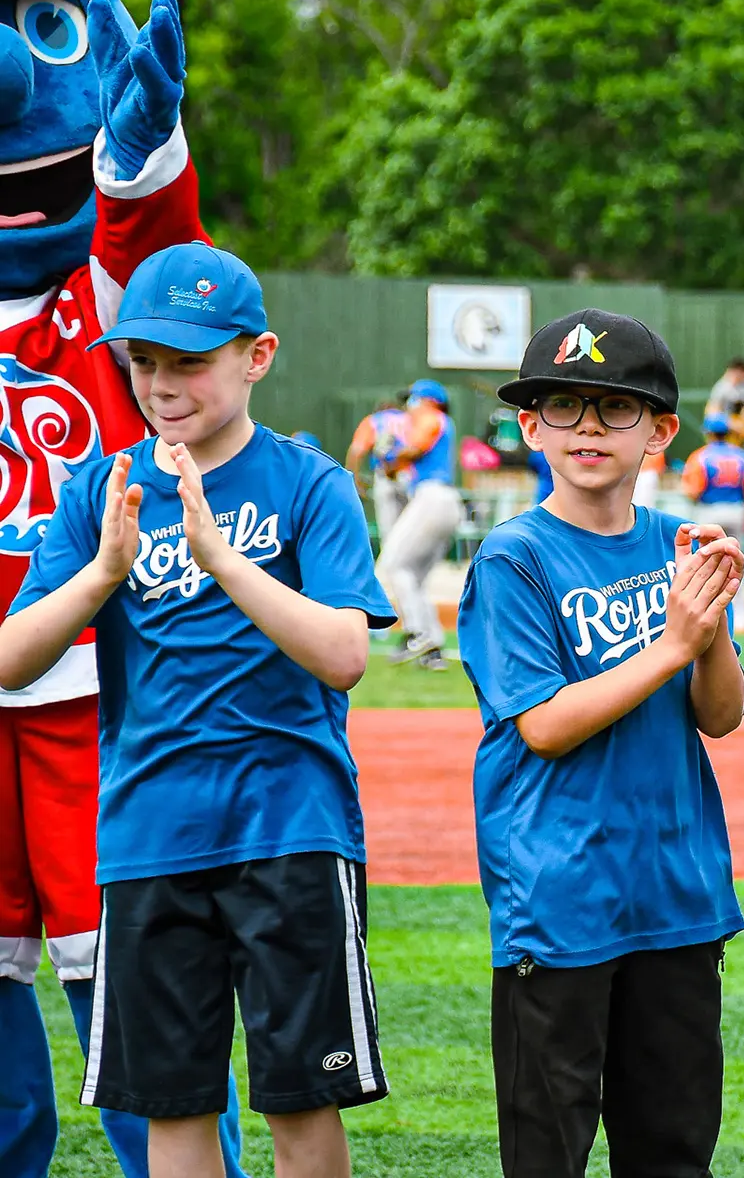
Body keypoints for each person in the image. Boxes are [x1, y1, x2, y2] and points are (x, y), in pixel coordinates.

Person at [0, 242, 395, 1178]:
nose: (163, 385)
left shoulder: (309, 483)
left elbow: (345, 656)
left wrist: (224, 559)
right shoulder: (103, 488)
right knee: (174, 1108)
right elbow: (13, 661)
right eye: (144, 362)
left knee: (303, 1101)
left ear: (256, 357)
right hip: (149, 840)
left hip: (290, 835)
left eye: (191, 362)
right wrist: (100, 574)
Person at [458, 309, 744, 1178]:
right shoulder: (516, 558)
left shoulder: (679, 544)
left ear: (660, 431)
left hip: (676, 893)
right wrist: (669, 641)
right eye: (563, 404)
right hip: (561, 898)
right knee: (550, 1151)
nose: (587, 425)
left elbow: (722, 713)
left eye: (615, 407)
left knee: (672, 1149)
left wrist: (710, 622)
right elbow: (543, 725)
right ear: (528, 426)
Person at [377, 378, 461, 671]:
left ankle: (416, 633)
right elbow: (397, 467)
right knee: (414, 577)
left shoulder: (432, 416)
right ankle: (433, 647)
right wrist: (389, 459)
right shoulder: (431, 420)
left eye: (412, 399)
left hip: (434, 497)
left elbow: (415, 448)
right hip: (438, 500)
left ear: (426, 399)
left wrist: (392, 450)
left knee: (393, 564)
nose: (408, 406)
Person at [345, 392, 412, 545]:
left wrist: (354, 483)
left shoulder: (374, 421)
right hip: (410, 475)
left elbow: (356, 451)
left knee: (388, 531)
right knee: (412, 529)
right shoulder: (409, 419)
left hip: (385, 475)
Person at [681, 413, 744, 537]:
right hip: (736, 512)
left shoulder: (700, 457)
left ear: (709, 433)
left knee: (706, 553)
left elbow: (693, 492)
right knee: (733, 553)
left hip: (709, 511)